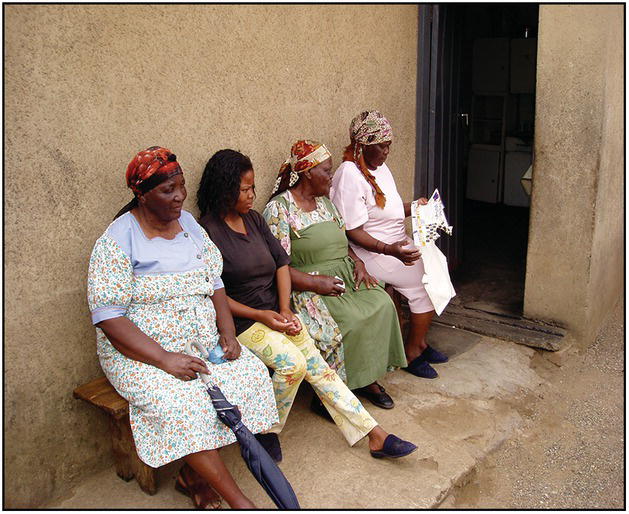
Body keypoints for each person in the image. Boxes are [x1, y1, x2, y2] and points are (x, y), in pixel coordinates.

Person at [87, 146, 279, 509]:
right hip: (141, 352)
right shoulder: (116, 240)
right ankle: (239, 501)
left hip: (200, 340)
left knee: (249, 375)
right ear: (141, 194)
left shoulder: (190, 227)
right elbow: (109, 317)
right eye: (167, 190)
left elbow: (215, 282)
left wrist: (226, 332)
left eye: (181, 186)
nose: (179, 197)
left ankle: (192, 476)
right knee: (183, 403)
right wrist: (163, 359)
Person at [197, 148, 417, 460]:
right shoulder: (207, 232)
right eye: (244, 189)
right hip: (245, 323)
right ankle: (266, 430)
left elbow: (281, 264)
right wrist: (265, 315)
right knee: (293, 365)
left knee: (320, 369)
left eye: (253, 188)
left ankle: (374, 434)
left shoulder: (255, 221)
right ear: (224, 187)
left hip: (276, 313)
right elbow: (214, 295)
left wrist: (285, 309)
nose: (251, 195)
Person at [262, 140, 407, 410]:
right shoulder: (279, 209)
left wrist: (358, 263)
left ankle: (367, 378)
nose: (332, 176)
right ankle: (330, 393)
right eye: (327, 171)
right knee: (349, 321)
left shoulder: (325, 204)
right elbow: (276, 266)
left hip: (342, 276)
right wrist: (315, 283)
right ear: (307, 173)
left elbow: (343, 241)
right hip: (307, 284)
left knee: (381, 304)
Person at [330, 111, 450, 379]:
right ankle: (412, 353)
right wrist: (389, 250)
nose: (387, 152)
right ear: (363, 145)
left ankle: (419, 342)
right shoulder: (349, 174)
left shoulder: (379, 169)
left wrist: (415, 208)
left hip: (395, 243)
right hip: (370, 251)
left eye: (389, 145)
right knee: (425, 282)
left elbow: (389, 210)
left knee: (437, 266)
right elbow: (351, 230)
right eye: (382, 146)